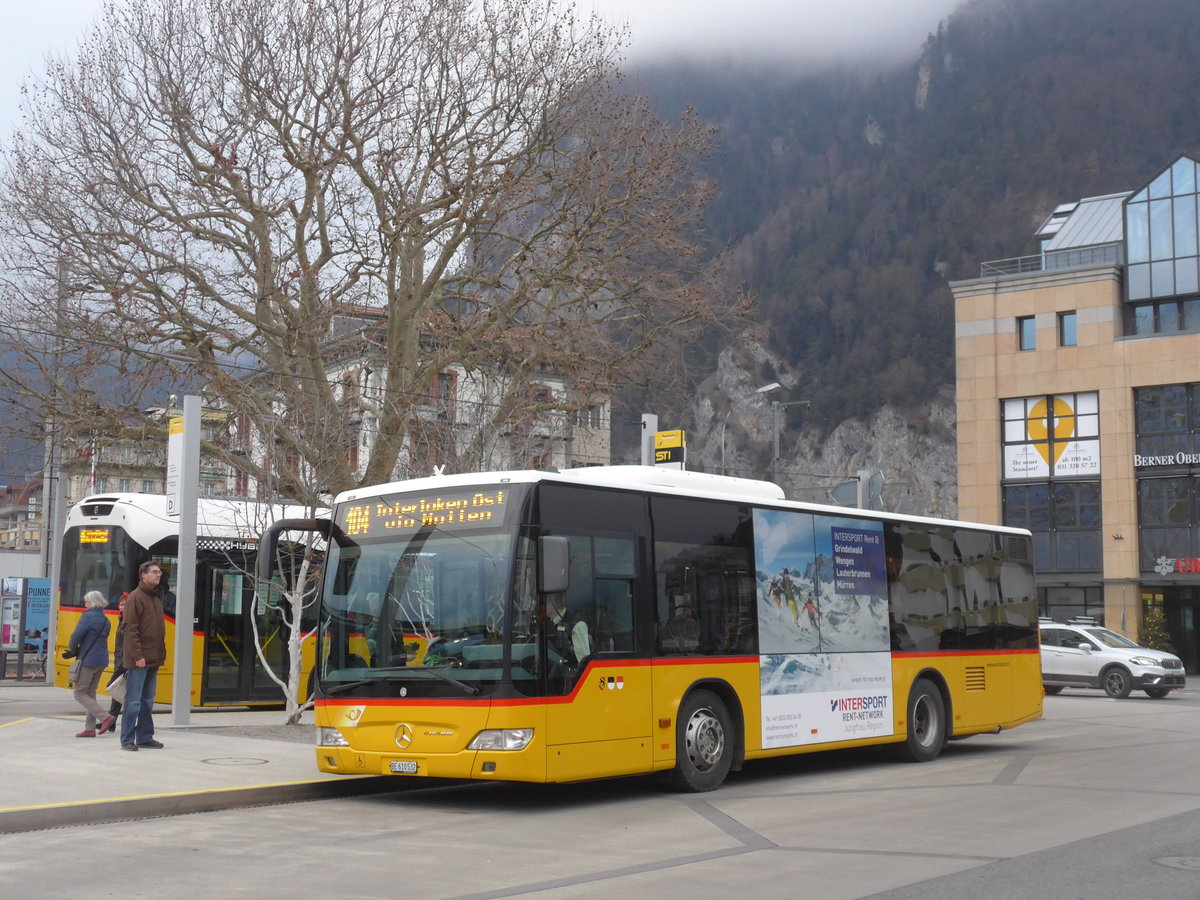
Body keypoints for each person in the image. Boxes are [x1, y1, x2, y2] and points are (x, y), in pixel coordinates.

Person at [120, 561, 167, 751]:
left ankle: (145, 736)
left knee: (148, 701)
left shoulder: (155, 599)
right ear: (143, 575)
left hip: (153, 659)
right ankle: (127, 739)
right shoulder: (135, 598)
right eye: (154, 572)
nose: (158, 575)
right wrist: (138, 656)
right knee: (133, 701)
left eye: (159, 572)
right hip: (139, 660)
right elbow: (130, 630)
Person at [67, 591, 113, 738]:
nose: (85, 605)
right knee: (90, 693)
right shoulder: (106, 620)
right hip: (101, 660)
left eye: (86, 602)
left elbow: (76, 635)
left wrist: (73, 650)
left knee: (79, 693)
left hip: (88, 660)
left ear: (92, 603)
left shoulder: (88, 616)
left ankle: (105, 717)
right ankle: (90, 728)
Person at [103, 592, 130, 724]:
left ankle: (114, 720)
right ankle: (111, 721)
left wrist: (122, 663)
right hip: (120, 659)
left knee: (114, 687)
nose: (121, 606)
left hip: (124, 661)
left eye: (124, 604)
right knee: (118, 689)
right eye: (120, 604)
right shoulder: (122, 618)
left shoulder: (128, 620)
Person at [545, 593, 590, 666]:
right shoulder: (548, 624)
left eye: (545, 602)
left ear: (554, 603)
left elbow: (583, 661)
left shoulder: (577, 625)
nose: (541, 606)